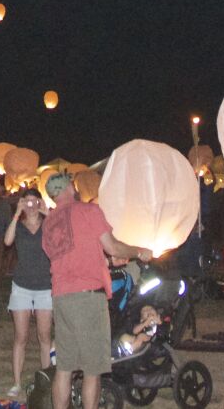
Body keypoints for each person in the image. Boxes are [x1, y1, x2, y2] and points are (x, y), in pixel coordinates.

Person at [42, 172, 150, 409]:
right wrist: (138, 250)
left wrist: (104, 262)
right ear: (69, 187)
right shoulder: (88, 211)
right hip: (88, 297)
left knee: (64, 367)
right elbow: (112, 246)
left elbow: (70, 255)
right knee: (93, 368)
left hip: (61, 296)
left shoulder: (49, 223)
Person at [2, 188, 53, 397]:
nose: (31, 206)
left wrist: (49, 214)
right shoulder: (19, 226)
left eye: (34, 201)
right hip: (22, 286)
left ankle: (48, 383)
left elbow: (64, 236)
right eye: (27, 202)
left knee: (44, 337)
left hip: (45, 287)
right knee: (20, 337)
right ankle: (16, 383)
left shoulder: (48, 224)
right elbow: (7, 241)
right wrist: (16, 213)